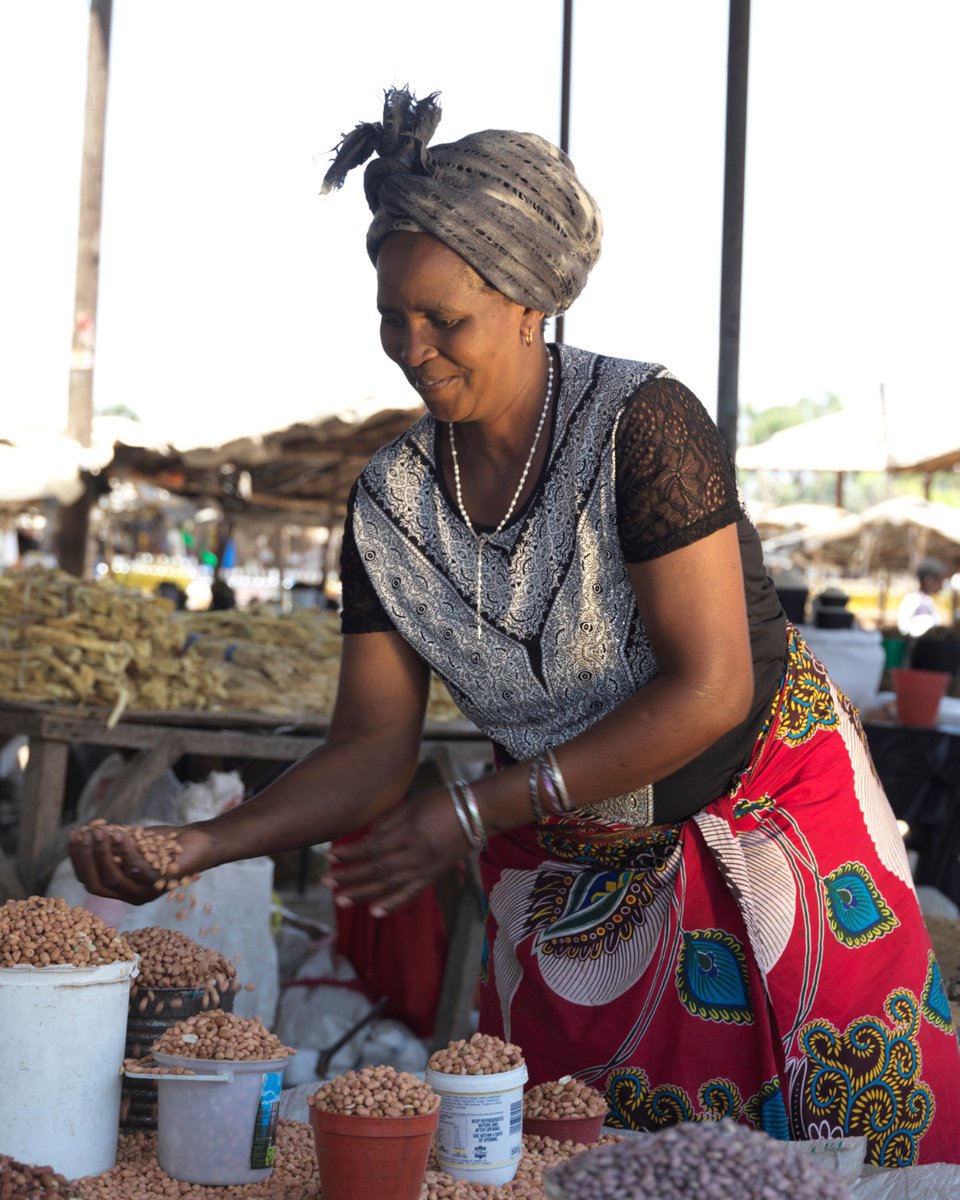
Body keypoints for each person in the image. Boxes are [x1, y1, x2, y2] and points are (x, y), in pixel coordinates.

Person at [70, 87, 960, 1165]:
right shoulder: (391, 502)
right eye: (392, 317)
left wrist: (479, 807)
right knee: (577, 1158)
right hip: (571, 867)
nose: (413, 347)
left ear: (531, 302)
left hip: (764, 823)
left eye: (446, 318)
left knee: (837, 1141)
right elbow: (369, 750)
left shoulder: (643, 425)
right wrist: (200, 845)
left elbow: (711, 685)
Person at [897, 557, 947, 637]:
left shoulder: (929, 601)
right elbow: (904, 626)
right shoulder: (913, 599)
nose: (942, 584)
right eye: (940, 580)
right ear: (928, 580)